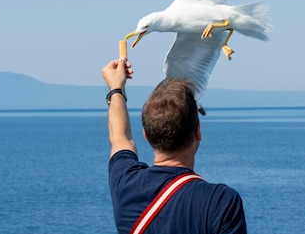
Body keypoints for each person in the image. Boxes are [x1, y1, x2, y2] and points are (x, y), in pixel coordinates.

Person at [102, 57, 247, 234]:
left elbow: (120, 137)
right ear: (198, 132)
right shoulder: (221, 202)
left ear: (146, 135)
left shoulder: (125, 184)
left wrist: (116, 88)